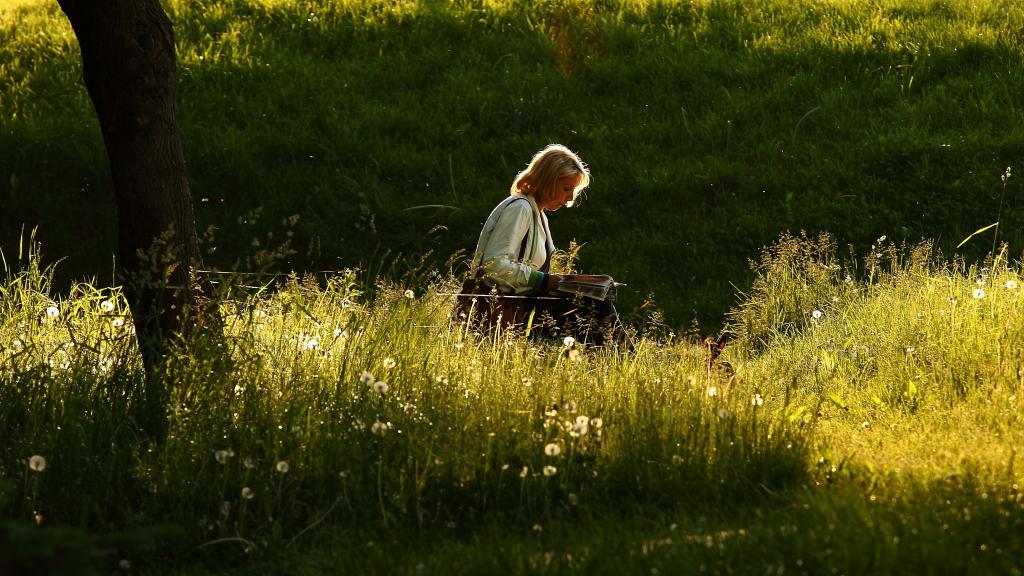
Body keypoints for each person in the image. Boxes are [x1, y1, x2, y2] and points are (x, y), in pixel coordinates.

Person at [460, 144, 623, 346]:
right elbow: (494, 266)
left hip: (522, 304)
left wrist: (567, 284)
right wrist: (545, 281)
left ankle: (612, 360)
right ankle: (619, 359)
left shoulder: (538, 213)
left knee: (595, 303)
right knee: (596, 307)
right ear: (547, 181)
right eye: (566, 189)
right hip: (504, 308)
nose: (570, 198)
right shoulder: (520, 208)